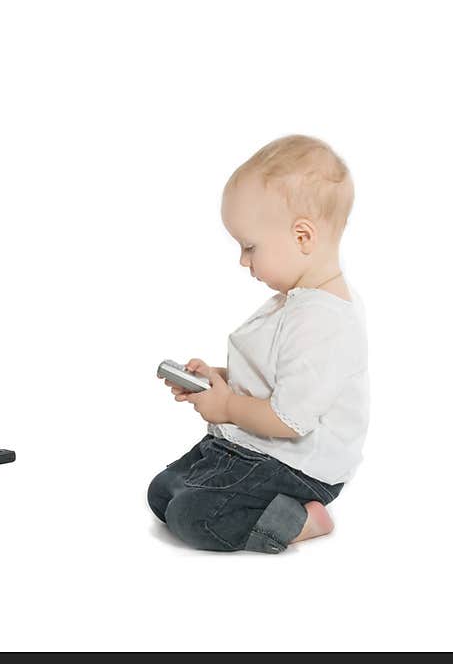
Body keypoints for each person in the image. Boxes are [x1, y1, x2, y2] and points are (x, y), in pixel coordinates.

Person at [148, 135, 369, 553]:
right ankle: (260, 502)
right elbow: (275, 374)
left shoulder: (324, 321)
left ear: (302, 236)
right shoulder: (293, 303)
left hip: (295, 463)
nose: (243, 261)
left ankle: (304, 519)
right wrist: (219, 379)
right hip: (252, 447)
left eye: (250, 247)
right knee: (163, 494)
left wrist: (227, 406)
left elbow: (289, 419)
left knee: (194, 517)